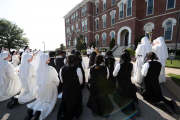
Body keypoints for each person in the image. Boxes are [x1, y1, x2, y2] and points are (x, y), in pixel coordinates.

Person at [25, 54, 59, 120]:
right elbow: (56, 80)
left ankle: (33, 111)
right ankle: (40, 112)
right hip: (50, 87)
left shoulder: (38, 69)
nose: (49, 59)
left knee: (41, 101)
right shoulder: (51, 68)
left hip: (41, 88)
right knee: (49, 103)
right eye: (48, 58)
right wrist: (56, 85)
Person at [113, 52, 140, 119]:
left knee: (122, 97)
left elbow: (114, 74)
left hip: (120, 84)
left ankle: (129, 111)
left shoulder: (119, 65)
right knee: (130, 94)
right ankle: (135, 104)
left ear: (122, 58)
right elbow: (132, 74)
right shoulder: (132, 65)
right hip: (128, 82)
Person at [57, 55, 83, 120]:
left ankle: (65, 114)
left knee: (65, 105)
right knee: (77, 103)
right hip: (75, 90)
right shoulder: (78, 69)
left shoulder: (61, 69)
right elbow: (81, 82)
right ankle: (75, 115)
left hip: (66, 91)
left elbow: (62, 81)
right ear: (75, 61)